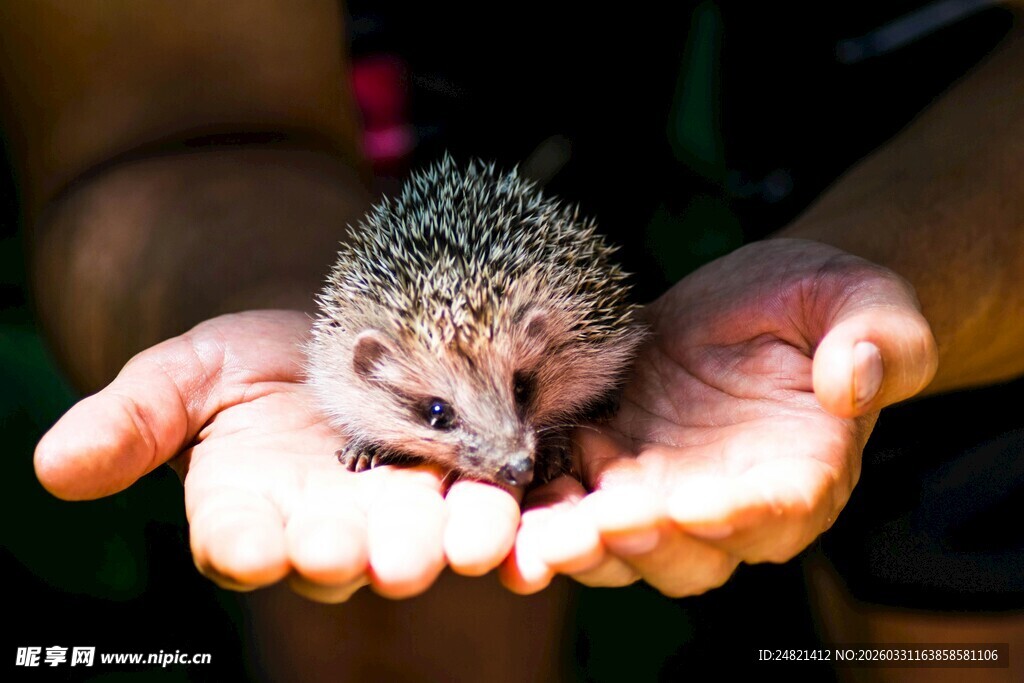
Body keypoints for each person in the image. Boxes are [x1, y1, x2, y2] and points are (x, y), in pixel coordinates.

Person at [6, 0, 1022, 678]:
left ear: (548, 339)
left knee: (961, 489)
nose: (506, 446)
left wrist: (899, 252)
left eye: (526, 388)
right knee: (389, 600)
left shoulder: (560, 338)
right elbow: (176, 119)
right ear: (364, 374)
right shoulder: (353, 363)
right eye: (435, 414)